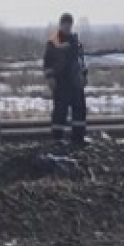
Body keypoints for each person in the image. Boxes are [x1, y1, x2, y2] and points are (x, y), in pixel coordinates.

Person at [42, 13, 89, 146]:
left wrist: (84, 76)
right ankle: (57, 139)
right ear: (61, 24)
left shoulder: (76, 42)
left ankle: (78, 138)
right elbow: (47, 62)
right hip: (61, 82)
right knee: (60, 112)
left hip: (76, 82)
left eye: (69, 24)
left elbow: (82, 61)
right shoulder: (54, 41)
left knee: (80, 110)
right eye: (65, 24)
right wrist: (50, 78)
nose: (67, 26)